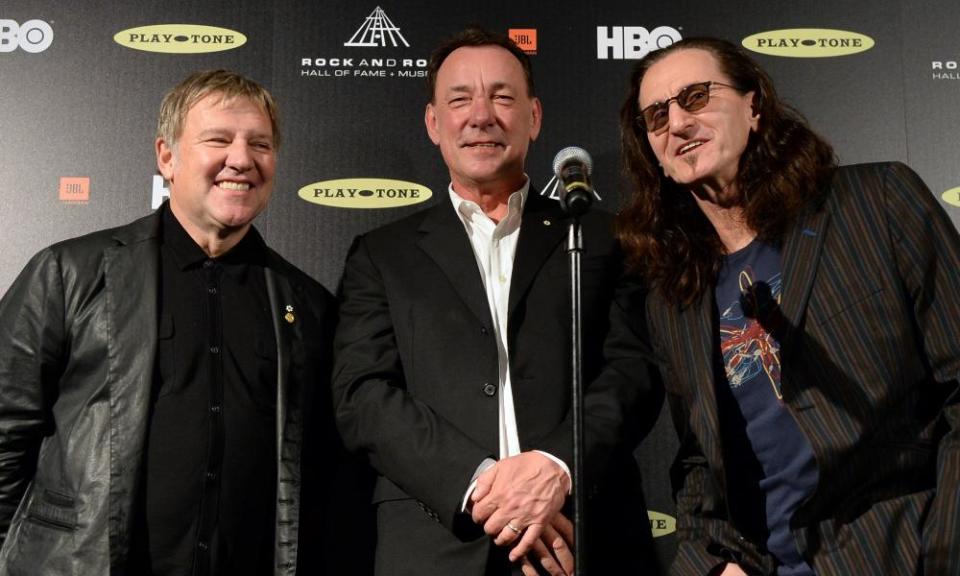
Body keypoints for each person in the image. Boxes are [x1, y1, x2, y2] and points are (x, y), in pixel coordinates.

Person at [618, 37, 960, 575]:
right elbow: (698, 465)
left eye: (697, 96)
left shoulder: (877, 203)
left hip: (900, 551)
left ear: (754, 105)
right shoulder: (674, 297)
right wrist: (712, 564)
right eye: (656, 116)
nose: (677, 123)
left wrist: (941, 551)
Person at [332, 27, 661, 576]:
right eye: (460, 99)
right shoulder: (381, 255)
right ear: (434, 124)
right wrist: (484, 484)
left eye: (502, 97)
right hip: (436, 545)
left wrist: (557, 465)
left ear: (533, 117)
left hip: (584, 537)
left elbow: (635, 371)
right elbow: (362, 394)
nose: (481, 116)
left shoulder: (601, 238)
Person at [0, 69, 355, 575]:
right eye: (218, 139)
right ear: (167, 156)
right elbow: (5, 429)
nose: (242, 159)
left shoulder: (307, 305)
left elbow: (322, 473)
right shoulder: (69, 272)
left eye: (261, 144)